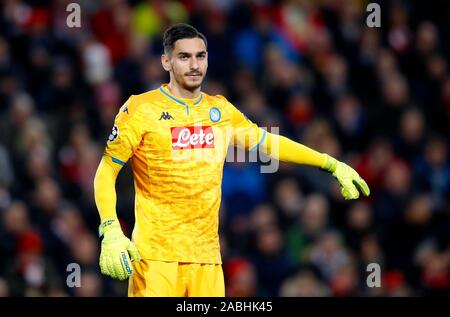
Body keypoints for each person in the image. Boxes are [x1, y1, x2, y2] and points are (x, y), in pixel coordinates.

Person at [93, 23, 370, 297]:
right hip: (156, 259)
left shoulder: (220, 110)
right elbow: (107, 170)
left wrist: (329, 163)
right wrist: (110, 228)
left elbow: (268, 142)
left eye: (200, 56)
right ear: (166, 61)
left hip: (208, 259)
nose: (194, 65)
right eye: (184, 56)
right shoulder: (141, 108)